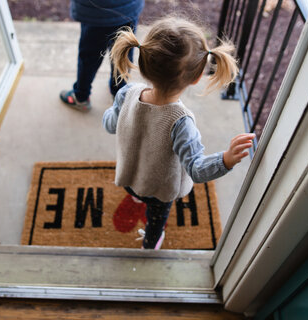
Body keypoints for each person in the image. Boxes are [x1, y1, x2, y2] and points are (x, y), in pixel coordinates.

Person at [103, 17, 256, 249]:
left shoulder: (126, 93)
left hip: (130, 174)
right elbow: (196, 169)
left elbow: (110, 124)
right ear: (195, 78)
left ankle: (135, 196)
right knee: (156, 220)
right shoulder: (180, 122)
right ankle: (150, 244)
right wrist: (225, 160)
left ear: (143, 61)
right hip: (159, 190)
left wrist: (113, 113)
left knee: (136, 189)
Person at [56, 0, 144, 111]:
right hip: (127, 6)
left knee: (89, 57)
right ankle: (119, 95)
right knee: (123, 53)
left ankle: (81, 96)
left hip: (95, 9)